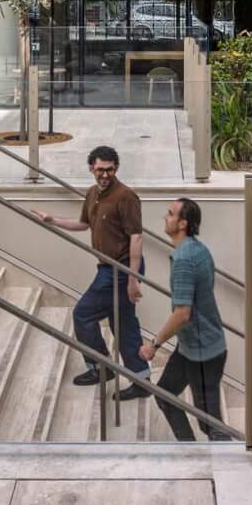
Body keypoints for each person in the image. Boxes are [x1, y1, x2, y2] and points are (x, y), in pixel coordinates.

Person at [34, 145, 148, 396]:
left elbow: (136, 237)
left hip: (120, 269)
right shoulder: (92, 193)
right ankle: (142, 381)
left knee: (83, 315)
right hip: (109, 268)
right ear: (91, 168)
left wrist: (133, 278)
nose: (105, 175)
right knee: (124, 324)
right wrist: (52, 220)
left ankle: (101, 368)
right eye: (100, 170)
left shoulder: (126, 197)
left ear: (116, 168)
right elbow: (83, 224)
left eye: (110, 170)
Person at [139, 196, 227, 441]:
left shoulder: (185, 259)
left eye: (170, 213)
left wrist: (154, 345)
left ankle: (224, 459)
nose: (165, 217)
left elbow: (182, 313)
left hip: (203, 354)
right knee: (165, 395)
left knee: (211, 425)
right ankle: (191, 450)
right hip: (192, 347)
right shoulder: (199, 250)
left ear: (182, 223)